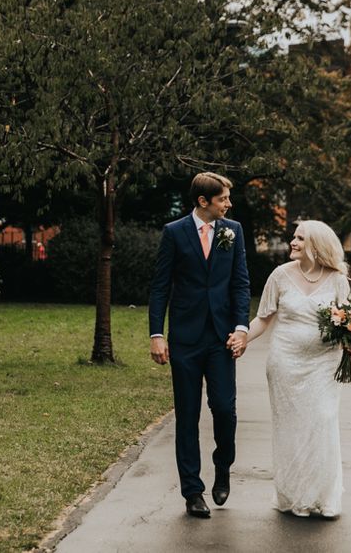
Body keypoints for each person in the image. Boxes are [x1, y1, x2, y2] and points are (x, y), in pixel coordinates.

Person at [226, 220, 350, 518]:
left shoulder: (337, 279)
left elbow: (346, 320)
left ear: (316, 245)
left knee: (321, 421)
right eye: (293, 237)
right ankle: (294, 495)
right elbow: (264, 318)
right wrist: (242, 337)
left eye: (299, 238)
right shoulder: (280, 276)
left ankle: (322, 496)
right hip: (285, 362)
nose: (292, 242)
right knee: (291, 429)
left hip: (323, 364)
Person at [148, 172, 251, 518]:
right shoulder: (174, 233)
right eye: (223, 198)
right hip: (186, 339)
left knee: (225, 409)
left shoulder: (232, 231)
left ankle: (223, 466)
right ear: (203, 201)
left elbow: (240, 283)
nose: (228, 203)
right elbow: (160, 286)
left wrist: (241, 328)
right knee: (187, 415)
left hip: (222, 338)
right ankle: (192, 491)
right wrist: (157, 334)